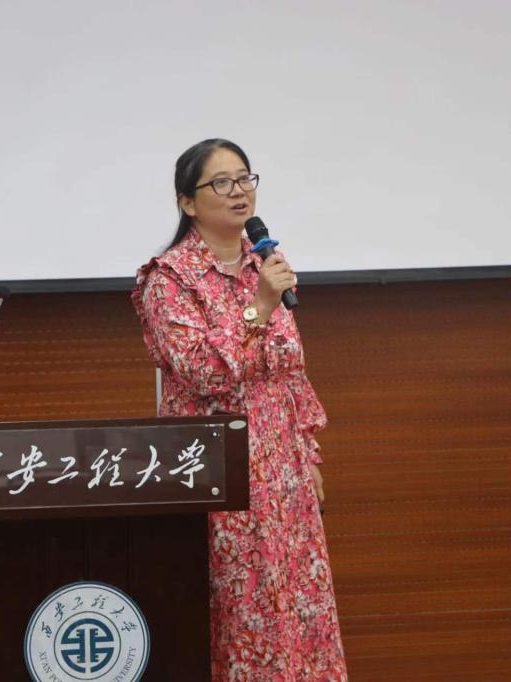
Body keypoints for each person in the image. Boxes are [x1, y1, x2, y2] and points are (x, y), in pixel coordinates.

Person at [131, 139, 348, 681]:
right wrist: (260, 307)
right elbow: (201, 371)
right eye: (221, 182)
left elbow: (290, 369)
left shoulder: (263, 264)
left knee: (296, 605)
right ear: (187, 202)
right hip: (216, 471)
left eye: (245, 179)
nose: (238, 192)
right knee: (238, 608)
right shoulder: (169, 279)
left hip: (283, 469)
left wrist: (308, 454)